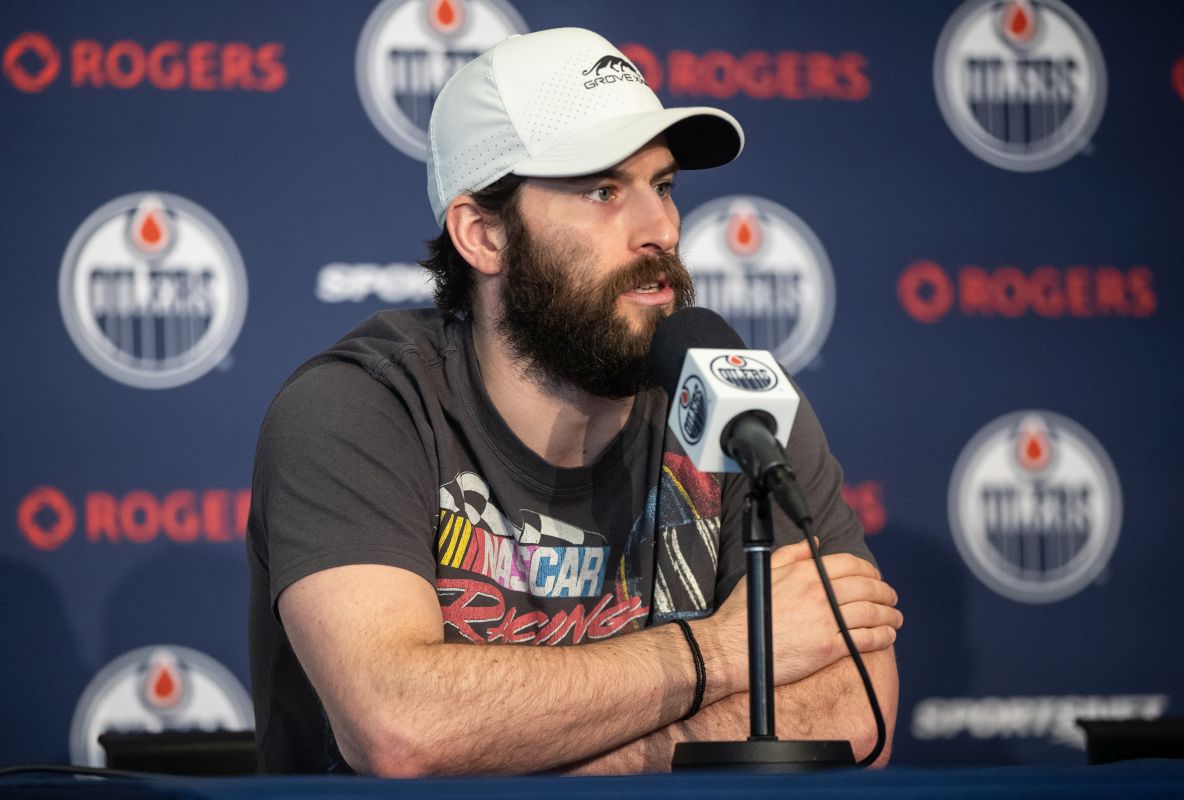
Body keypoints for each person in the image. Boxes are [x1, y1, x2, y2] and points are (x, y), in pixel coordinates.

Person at [246, 27, 901, 777]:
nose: (660, 230)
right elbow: (402, 730)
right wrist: (719, 651)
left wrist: (518, 756)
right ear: (484, 235)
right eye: (601, 191)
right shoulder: (360, 409)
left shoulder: (734, 409)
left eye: (663, 186)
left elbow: (856, 705)